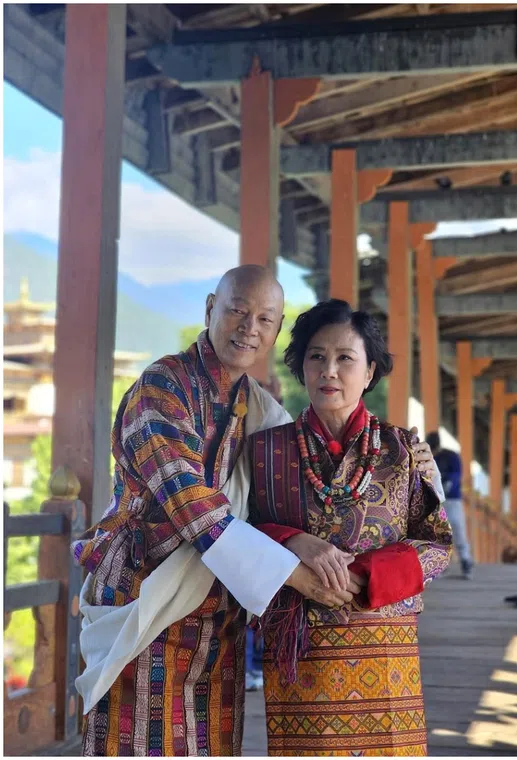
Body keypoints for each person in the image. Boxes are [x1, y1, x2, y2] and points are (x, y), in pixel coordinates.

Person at [72, 266, 329, 756]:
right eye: (237, 310)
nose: (249, 327)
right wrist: (293, 573)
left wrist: (401, 459)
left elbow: (296, 484)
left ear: (275, 333)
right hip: (145, 601)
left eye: (265, 319)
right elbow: (190, 502)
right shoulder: (162, 387)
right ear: (211, 308)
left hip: (218, 617)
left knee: (214, 745)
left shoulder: (257, 406)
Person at [247, 299, 452, 756]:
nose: (329, 371)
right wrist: (295, 542)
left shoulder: (404, 450)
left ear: (370, 371)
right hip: (301, 642)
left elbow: (437, 544)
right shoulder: (263, 452)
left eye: (345, 359)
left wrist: (363, 576)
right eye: (316, 356)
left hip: (383, 639)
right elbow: (236, 530)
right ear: (301, 367)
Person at [427, 431, 474, 579]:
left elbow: (456, 476)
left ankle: (465, 560)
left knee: (457, 528)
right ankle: (440, 563)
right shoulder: (430, 456)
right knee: (437, 530)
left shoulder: (451, 456)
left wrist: (446, 484)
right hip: (435, 499)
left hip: (452, 498)